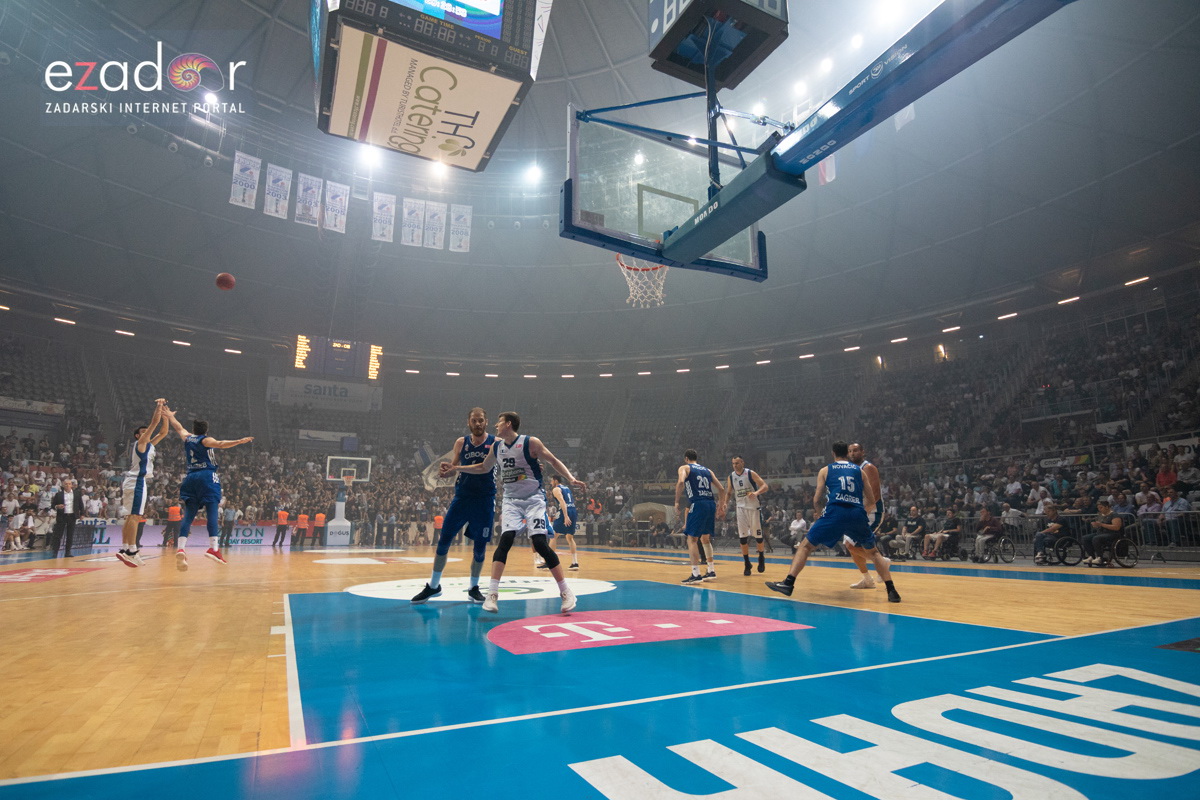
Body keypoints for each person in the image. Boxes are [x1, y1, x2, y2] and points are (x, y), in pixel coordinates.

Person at [439, 411, 585, 614]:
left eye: (498, 423)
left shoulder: (530, 442)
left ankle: (566, 591)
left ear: (508, 424)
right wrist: (457, 468)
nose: (495, 427)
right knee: (505, 540)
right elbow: (483, 467)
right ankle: (492, 594)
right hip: (511, 501)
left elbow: (553, 460)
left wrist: (570, 478)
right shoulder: (497, 447)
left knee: (541, 544)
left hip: (534, 499)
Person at [766, 441, 900, 603]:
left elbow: (817, 498)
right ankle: (892, 590)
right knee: (873, 552)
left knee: (805, 546)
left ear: (833, 453)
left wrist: (818, 512)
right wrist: (858, 514)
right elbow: (872, 500)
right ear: (847, 453)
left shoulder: (826, 470)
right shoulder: (859, 471)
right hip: (857, 513)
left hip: (835, 512)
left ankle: (788, 583)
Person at [413, 407, 497, 605]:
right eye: (474, 420)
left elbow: (487, 466)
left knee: (479, 549)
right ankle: (434, 586)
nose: (478, 424)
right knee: (443, 542)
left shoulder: (495, 442)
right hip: (462, 498)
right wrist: (447, 472)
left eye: (481, 420)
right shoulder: (461, 442)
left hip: (485, 499)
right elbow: (453, 468)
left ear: (486, 422)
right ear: (468, 422)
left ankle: (474, 588)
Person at [161, 406, 254, 571]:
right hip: (206, 476)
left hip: (190, 477)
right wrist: (239, 441)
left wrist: (169, 416)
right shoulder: (205, 440)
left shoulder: (188, 438)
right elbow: (220, 444)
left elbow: (178, 427)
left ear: (194, 429)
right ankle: (214, 548)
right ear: (206, 431)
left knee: (188, 516)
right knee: (212, 511)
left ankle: (181, 547)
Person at [116, 400, 170, 567]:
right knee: (135, 517)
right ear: (138, 436)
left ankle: (125, 548)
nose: (148, 433)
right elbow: (155, 423)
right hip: (137, 481)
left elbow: (163, 432)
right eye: (144, 432)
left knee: (129, 517)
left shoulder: (149, 446)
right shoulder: (140, 443)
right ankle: (132, 550)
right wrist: (159, 406)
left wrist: (166, 416)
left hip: (133, 481)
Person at [675, 449, 726, 585]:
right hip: (710, 503)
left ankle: (695, 573)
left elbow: (681, 482)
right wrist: (721, 506)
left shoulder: (684, 467)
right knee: (705, 538)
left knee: (691, 539)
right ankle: (711, 570)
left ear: (686, 458)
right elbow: (721, 489)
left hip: (697, 503)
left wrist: (676, 501)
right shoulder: (708, 471)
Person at [845, 442, 886, 587]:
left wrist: (862, 512)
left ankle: (882, 563)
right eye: (850, 451)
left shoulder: (868, 468)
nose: (852, 453)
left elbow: (873, 494)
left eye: (855, 450)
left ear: (863, 452)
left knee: (850, 544)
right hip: (858, 512)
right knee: (851, 546)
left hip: (872, 512)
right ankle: (868, 579)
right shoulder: (852, 470)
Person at [723, 456, 768, 575]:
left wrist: (756, 492)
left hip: (753, 507)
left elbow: (765, 486)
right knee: (742, 537)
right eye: (733, 463)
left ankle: (761, 557)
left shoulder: (750, 473)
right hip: (740, 508)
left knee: (758, 536)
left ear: (742, 462)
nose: (735, 465)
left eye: (737, 463)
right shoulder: (731, 476)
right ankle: (747, 563)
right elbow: (728, 492)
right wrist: (725, 504)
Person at [549, 475, 580, 570]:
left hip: (565, 511)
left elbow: (562, 502)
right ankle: (575, 562)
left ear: (555, 480)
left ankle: (549, 562)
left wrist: (566, 516)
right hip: (573, 510)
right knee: (570, 537)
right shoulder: (567, 488)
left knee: (553, 535)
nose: (550, 482)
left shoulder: (556, 489)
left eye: (551, 480)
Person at [50, 478, 85, 558]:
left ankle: (68, 552)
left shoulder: (77, 493)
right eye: (66, 484)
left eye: (69, 484)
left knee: (70, 535)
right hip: (62, 516)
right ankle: (55, 552)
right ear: (63, 485)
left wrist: (82, 514)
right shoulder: (59, 494)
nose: (68, 485)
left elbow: (81, 504)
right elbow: (52, 505)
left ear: (71, 485)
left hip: (72, 516)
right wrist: (57, 506)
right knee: (58, 535)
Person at [1083, 499, 1123, 567]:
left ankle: (1100, 557)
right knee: (1085, 538)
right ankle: (1091, 556)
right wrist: (1096, 525)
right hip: (1101, 533)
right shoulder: (1100, 515)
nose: (1099, 509)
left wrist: (1101, 524)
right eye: (1098, 508)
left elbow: (1116, 527)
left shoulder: (1114, 515)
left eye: (1101, 507)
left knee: (1096, 538)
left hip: (1112, 534)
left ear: (1107, 507)